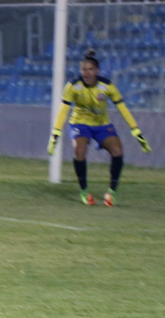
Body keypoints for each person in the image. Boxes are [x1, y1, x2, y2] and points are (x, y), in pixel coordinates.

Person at [47, 48, 151, 206]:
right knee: (79, 151)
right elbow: (63, 111)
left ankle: (111, 193)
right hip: (80, 124)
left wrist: (135, 130)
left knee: (118, 151)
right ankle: (84, 191)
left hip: (102, 125)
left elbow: (122, 108)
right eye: (83, 69)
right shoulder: (73, 86)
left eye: (90, 69)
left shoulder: (107, 86)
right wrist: (55, 133)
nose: (86, 73)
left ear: (97, 70)